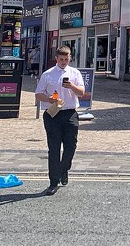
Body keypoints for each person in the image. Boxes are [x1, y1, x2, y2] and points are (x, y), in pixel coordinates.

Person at [35, 46, 85, 195]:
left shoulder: (75, 73)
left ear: (70, 58)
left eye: (66, 59)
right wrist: (49, 99)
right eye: (61, 59)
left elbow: (82, 93)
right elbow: (38, 94)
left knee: (71, 145)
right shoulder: (48, 74)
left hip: (70, 113)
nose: (64, 62)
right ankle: (53, 182)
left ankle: (64, 169)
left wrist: (72, 86)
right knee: (54, 148)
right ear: (56, 59)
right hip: (53, 114)